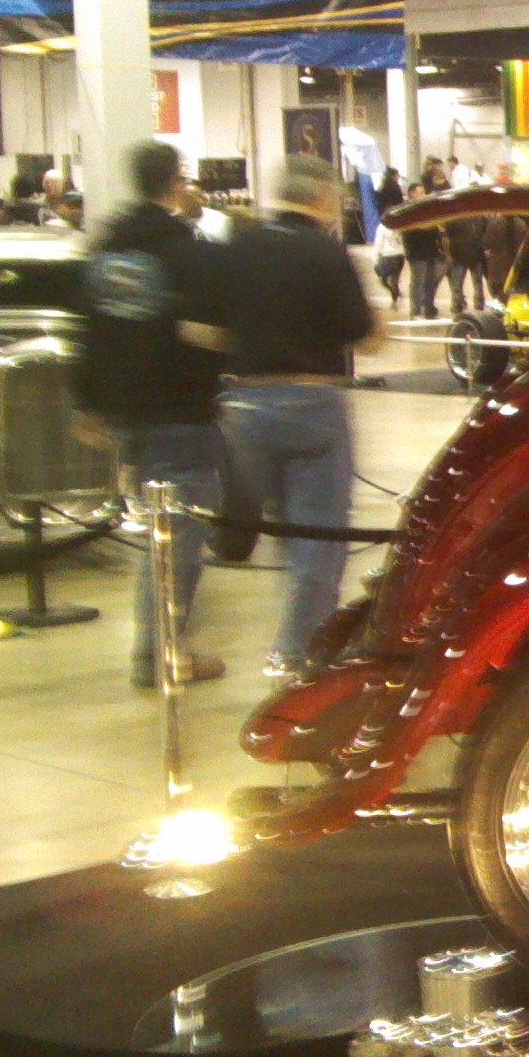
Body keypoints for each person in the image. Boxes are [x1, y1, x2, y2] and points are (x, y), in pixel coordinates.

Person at [219, 154, 381, 681]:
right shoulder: (326, 253)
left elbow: (211, 328)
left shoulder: (239, 247)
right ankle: (298, 655)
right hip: (312, 403)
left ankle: (295, 636)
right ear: (320, 196)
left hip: (245, 405)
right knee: (319, 537)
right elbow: (362, 333)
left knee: (285, 533)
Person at [72, 141, 228, 687]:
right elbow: (211, 330)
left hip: (126, 410)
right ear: (177, 183)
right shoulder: (187, 252)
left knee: (161, 530)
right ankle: (160, 653)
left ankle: (163, 646)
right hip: (180, 408)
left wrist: (88, 403)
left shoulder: (105, 249)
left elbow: (88, 330)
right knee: (177, 538)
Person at [403, 162, 449, 318]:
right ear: (411, 194)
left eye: (424, 192)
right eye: (420, 192)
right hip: (417, 253)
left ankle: (429, 309)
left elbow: (436, 229)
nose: (423, 195)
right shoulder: (408, 211)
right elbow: (411, 231)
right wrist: (431, 227)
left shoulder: (428, 210)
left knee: (430, 283)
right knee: (418, 282)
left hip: (431, 252)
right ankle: (415, 311)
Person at [374, 166, 407, 305]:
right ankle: (395, 294)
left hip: (388, 255)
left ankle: (394, 295)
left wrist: (375, 259)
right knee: (395, 277)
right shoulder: (395, 187)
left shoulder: (382, 186)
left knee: (384, 279)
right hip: (399, 254)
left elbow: (378, 244)